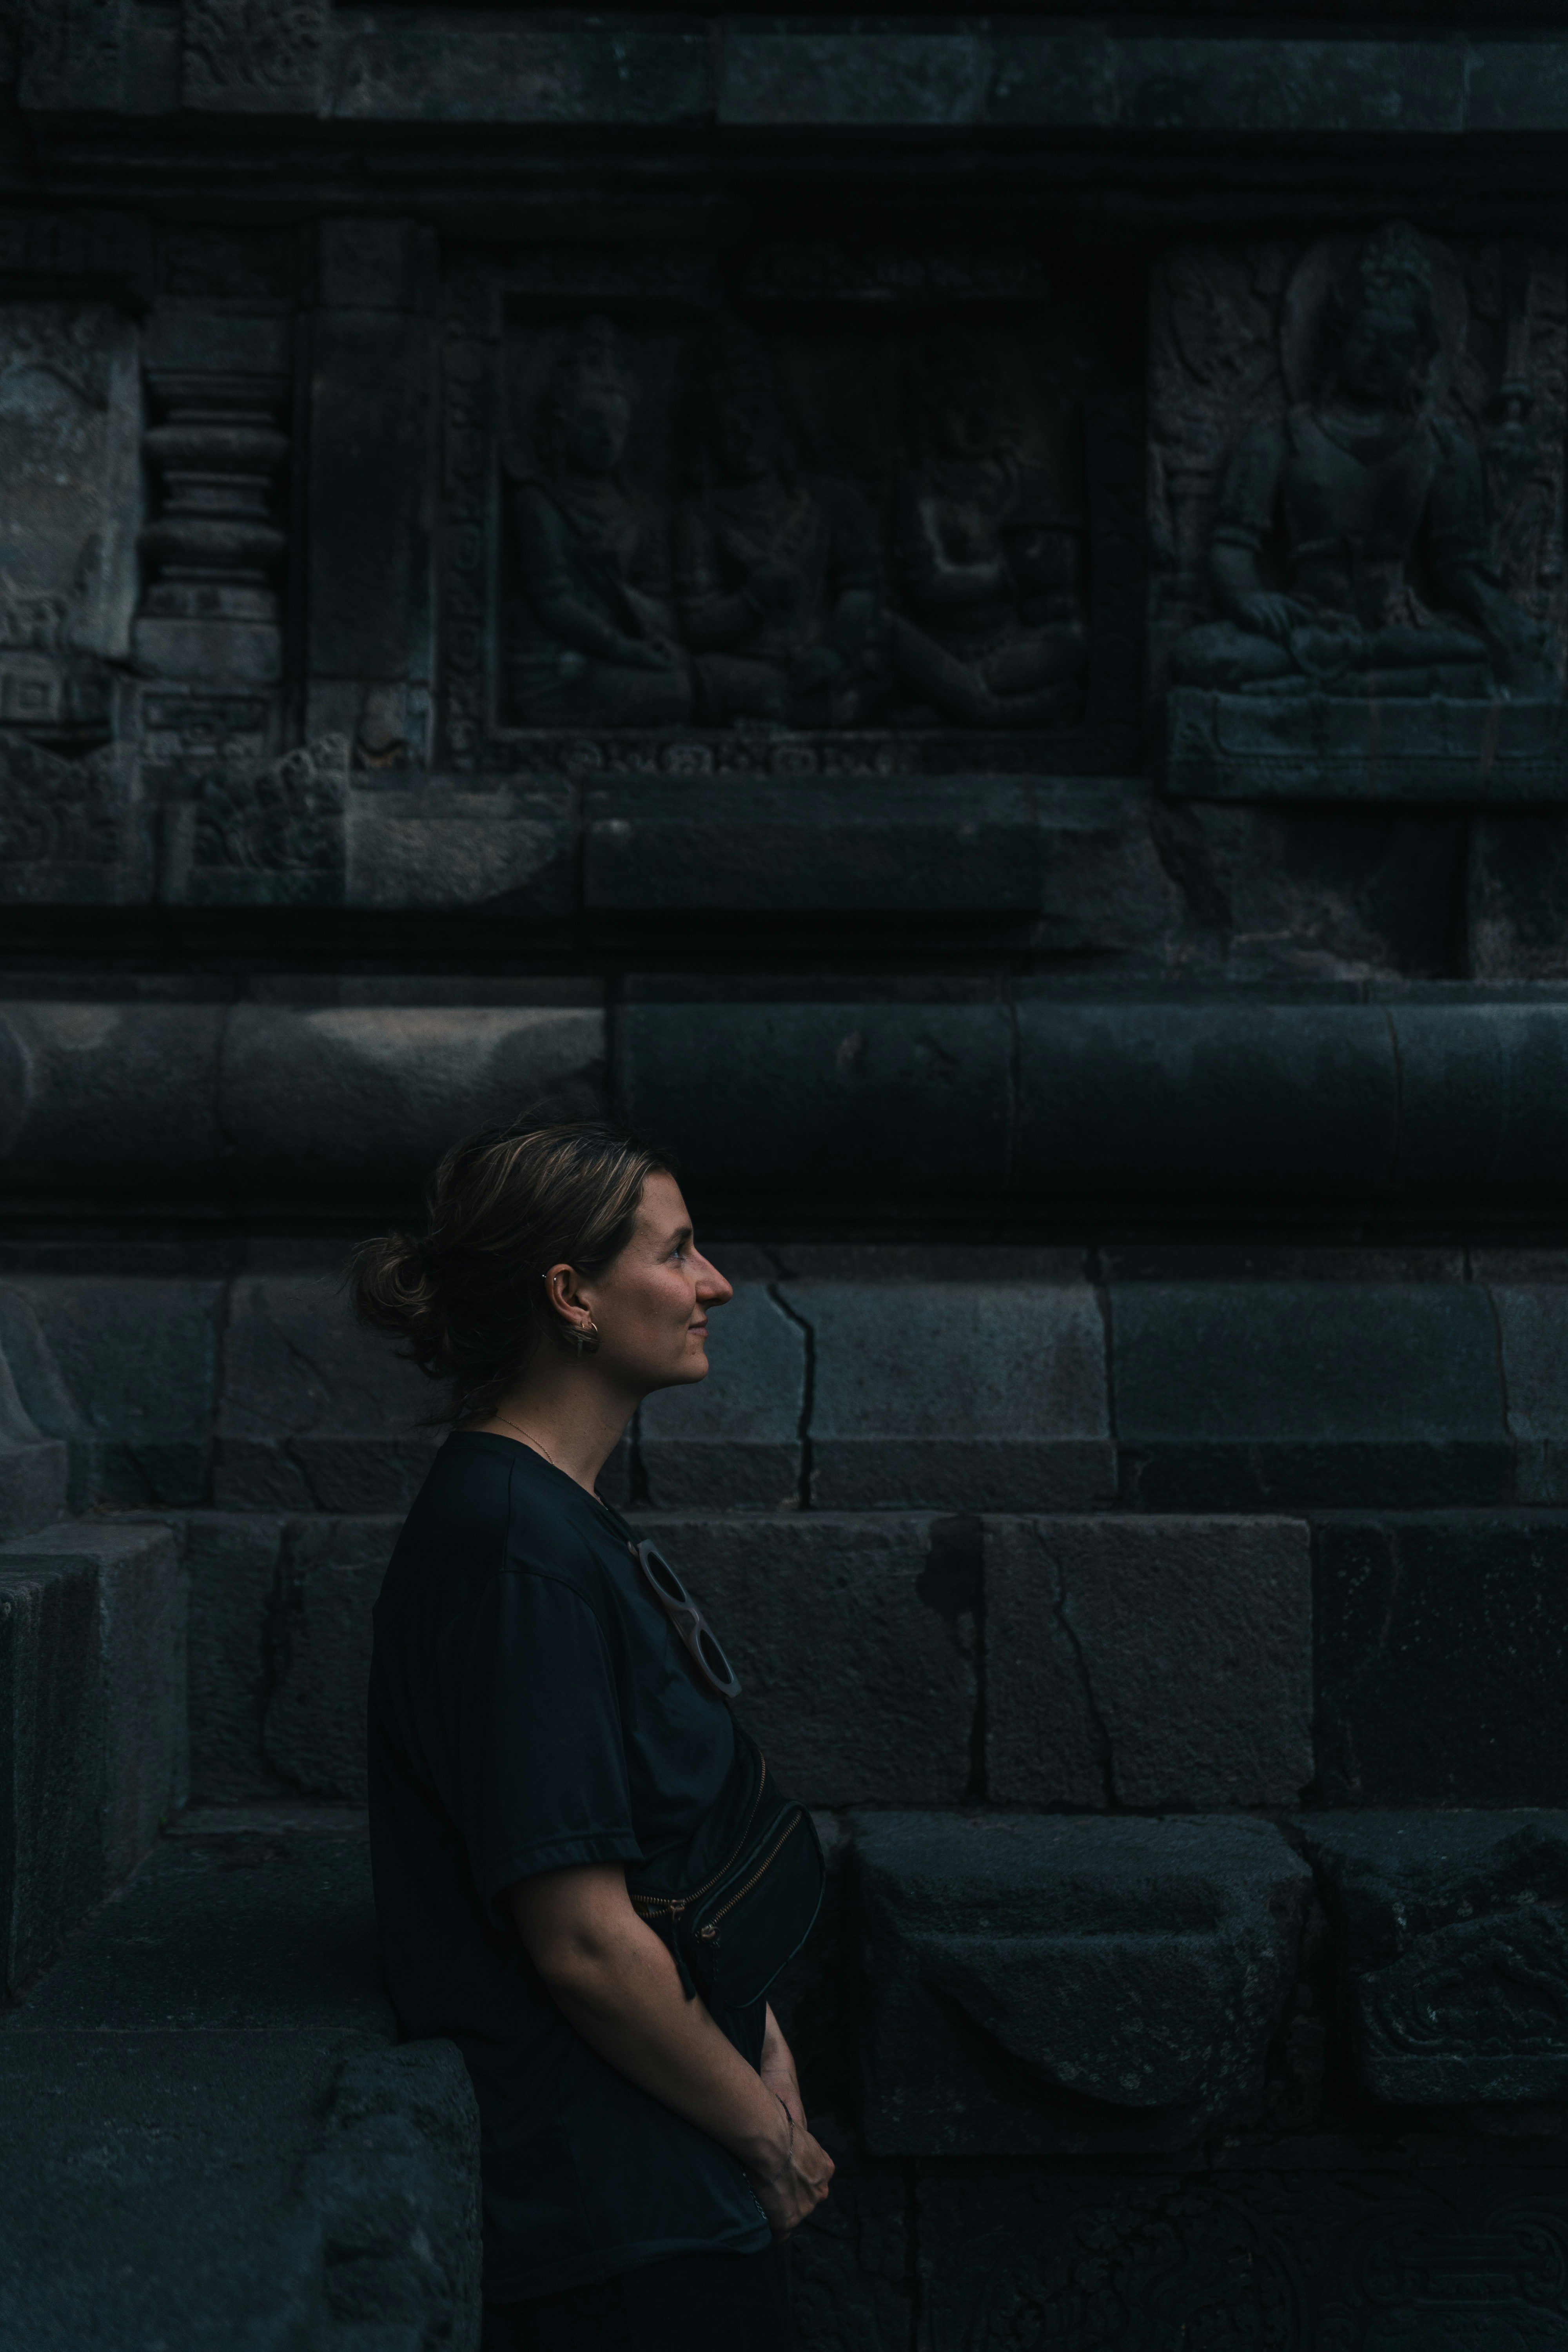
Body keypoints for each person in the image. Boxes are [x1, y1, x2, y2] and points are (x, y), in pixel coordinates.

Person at [354, 1122, 832, 2350]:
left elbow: (669, 1855)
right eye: (677, 1252)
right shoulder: (518, 1549)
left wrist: (759, 2042)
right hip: (612, 2212)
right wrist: (768, 2141)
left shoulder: (556, 1521)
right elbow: (578, 1937)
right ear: (569, 1295)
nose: (715, 1282)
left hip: (660, 2162)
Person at [508, 316, 692, 726]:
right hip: (558, 669)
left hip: (620, 653)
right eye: (593, 423)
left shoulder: (639, 510)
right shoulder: (538, 502)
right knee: (678, 694)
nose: (608, 439)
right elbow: (554, 604)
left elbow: (662, 605)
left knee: (692, 677)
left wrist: (627, 598)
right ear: (562, 424)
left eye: (619, 427)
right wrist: (626, 651)